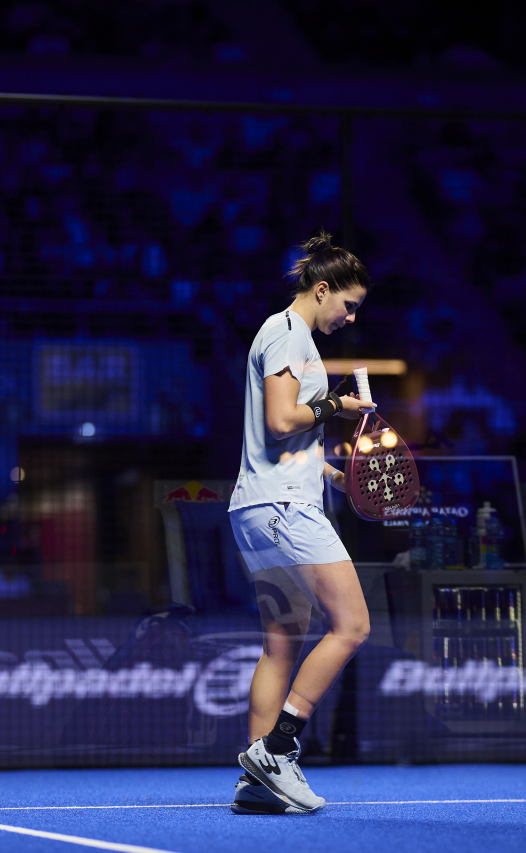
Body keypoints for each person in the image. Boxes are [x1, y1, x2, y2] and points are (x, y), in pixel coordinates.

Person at [227, 232, 373, 814]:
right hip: (284, 509)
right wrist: (339, 404)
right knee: (353, 625)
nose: (351, 316)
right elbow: (283, 419)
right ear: (321, 289)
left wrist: (333, 474)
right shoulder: (286, 333)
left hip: (262, 505)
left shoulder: (292, 339)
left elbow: (286, 441)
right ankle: (279, 747)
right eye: (349, 303)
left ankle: (254, 784)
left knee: (282, 643)